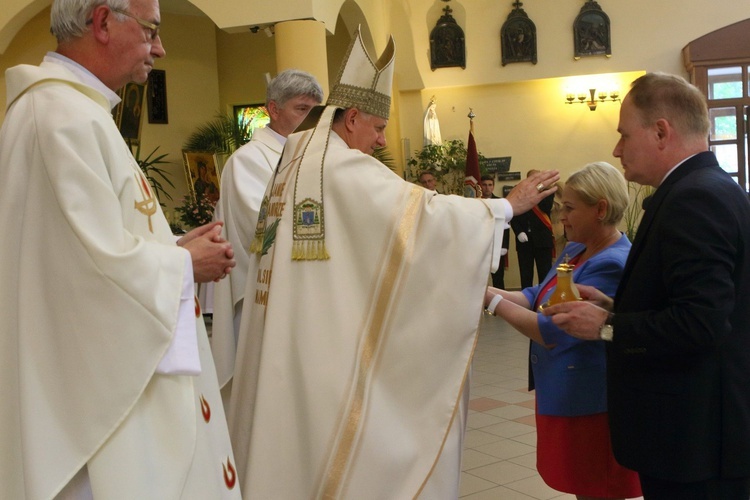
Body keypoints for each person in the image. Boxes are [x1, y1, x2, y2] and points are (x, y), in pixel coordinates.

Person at [227, 26, 559, 498]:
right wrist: (505, 206)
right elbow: (422, 217)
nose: (382, 141)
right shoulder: (339, 166)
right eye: (379, 128)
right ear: (353, 117)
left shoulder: (298, 157)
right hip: (327, 344)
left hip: (300, 330)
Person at [0, 0, 241, 498]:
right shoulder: (62, 119)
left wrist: (171, 247)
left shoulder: (75, 112)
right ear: (103, 23)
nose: (160, 47)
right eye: (150, 29)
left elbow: (86, 247)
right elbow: (83, 274)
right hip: (95, 414)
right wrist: (183, 264)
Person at [543, 73, 750, 499]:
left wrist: (605, 325)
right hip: (697, 432)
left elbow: (700, 324)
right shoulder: (700, 188)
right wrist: (615, 305)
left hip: (696, 441)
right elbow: (692, 302)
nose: (617, 149)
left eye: (624, 135)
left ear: (660, 132)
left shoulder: (695, 199)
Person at [484, 162, 641, 500]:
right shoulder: (576, 248)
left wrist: (491, 303)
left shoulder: (611, 262)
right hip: (565, 390)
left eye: (569, 209)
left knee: (596, 486)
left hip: (591, 398)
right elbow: (537, 295)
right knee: (581, 485)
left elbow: (552, 330)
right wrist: (483, 290)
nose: (561, 217)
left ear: (600, 209)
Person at [211, 69, 323, 392]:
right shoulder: (248, 161)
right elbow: (264, 230)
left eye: (315, 112)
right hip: (266, 300)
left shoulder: (311, 156)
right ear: (274, 110)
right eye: (302, 110)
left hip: (306, 295)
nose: (310, 120)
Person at [511, 169, 556, 287]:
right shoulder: (518, 193)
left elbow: (546, 207)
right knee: (526, 275)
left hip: (542, 240)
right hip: (524, 241)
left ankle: (543, 299)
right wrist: (518, 232)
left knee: (545, 273)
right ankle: (525, 300)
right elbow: (514, 213)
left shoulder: (548, 192)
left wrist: (538, 189)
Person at [481, 174, 510, 289]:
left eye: (489, 185)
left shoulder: (500, 202)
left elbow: (506, 225)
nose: (487, 188)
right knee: (479, 278)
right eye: (484, 185)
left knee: (498, 277)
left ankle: (498, 304)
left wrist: (504, 246)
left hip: (497, 245)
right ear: (480, 186)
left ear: (493, 186)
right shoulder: (473, 201)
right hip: (480, 245)